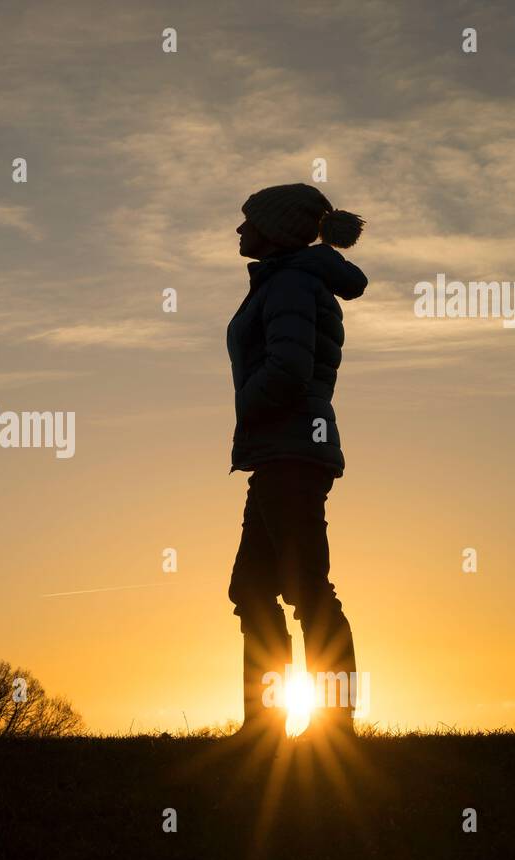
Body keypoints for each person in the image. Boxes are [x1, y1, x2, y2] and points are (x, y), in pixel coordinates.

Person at [225, 183, 367, 747]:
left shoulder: (289, 283)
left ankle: (334, 727)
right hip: (282, 452)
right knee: (253, 587)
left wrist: (248, 408)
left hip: (291, 453)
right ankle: (262, 726)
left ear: (276, 231)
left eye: (249, 222)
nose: (239, 231)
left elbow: (287, 367)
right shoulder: (287, 280)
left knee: (306, 589)